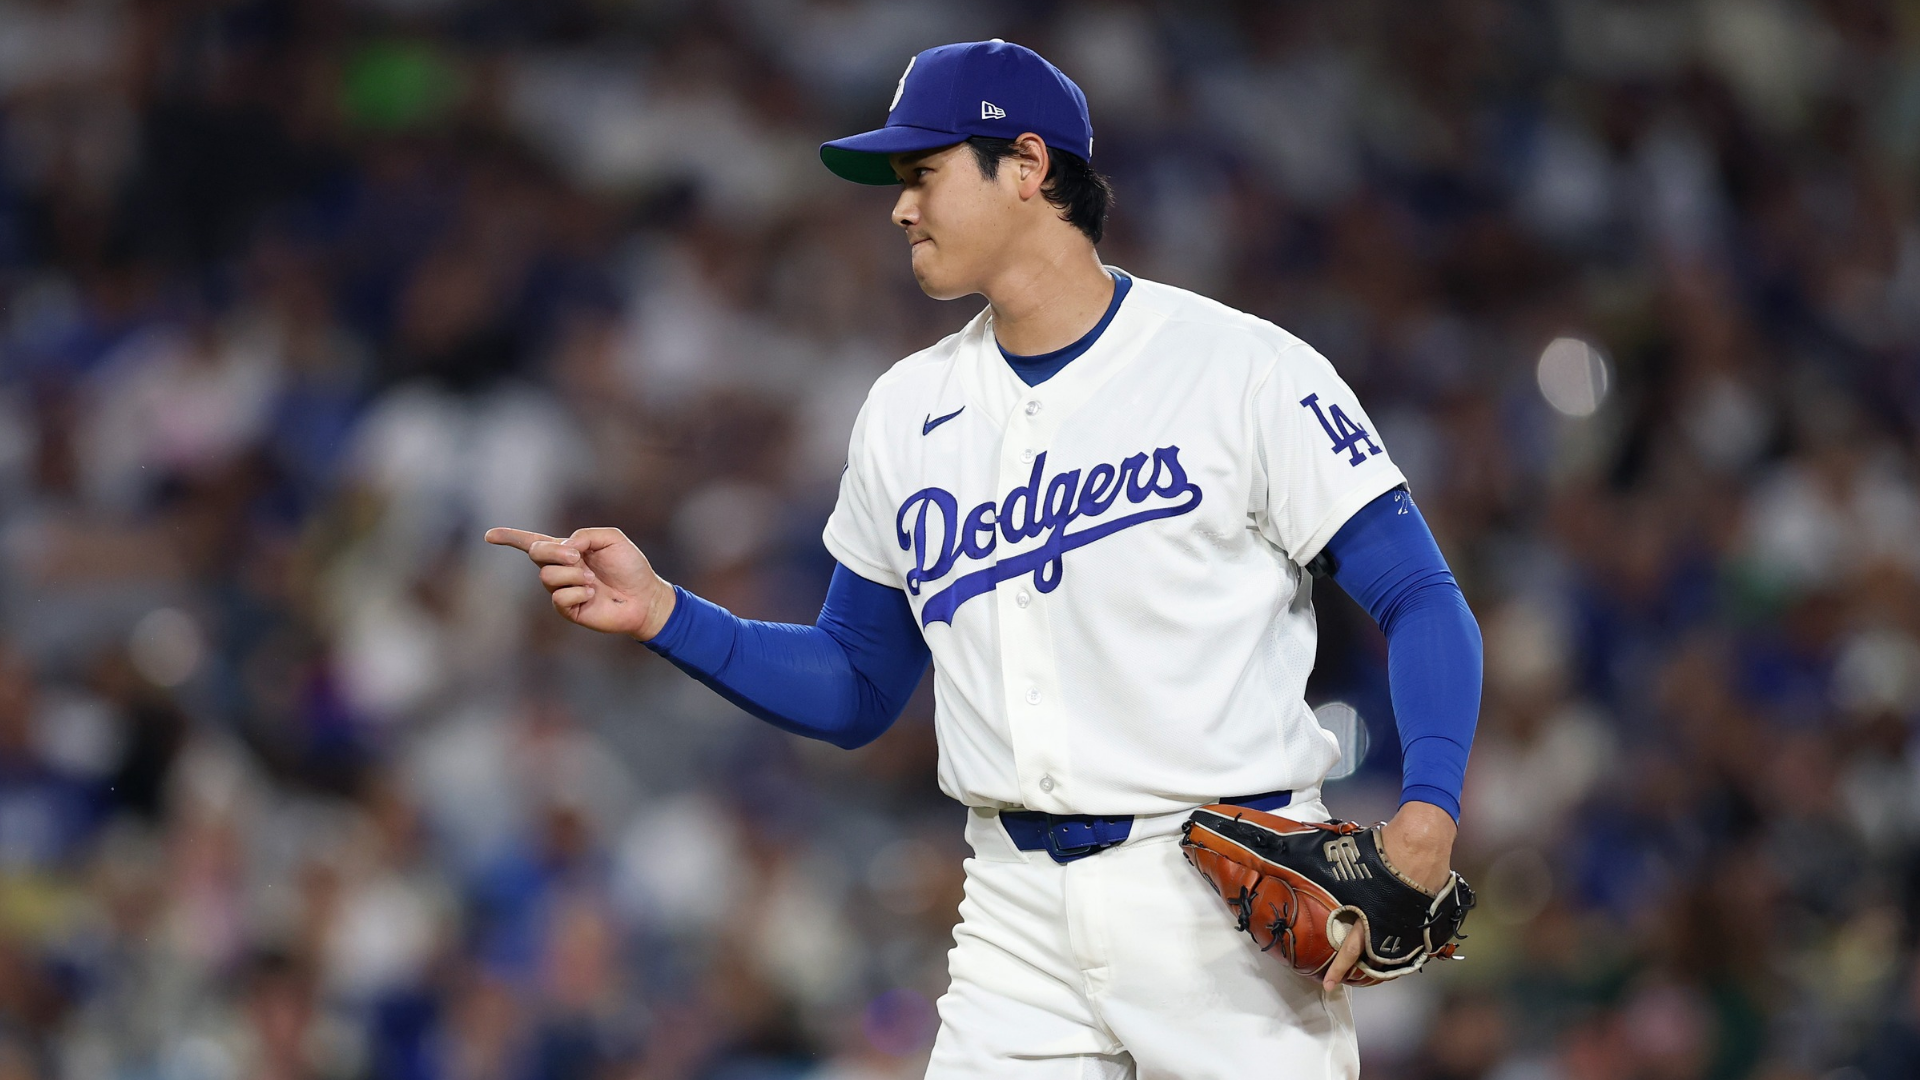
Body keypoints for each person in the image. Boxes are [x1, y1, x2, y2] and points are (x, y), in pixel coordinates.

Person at [488, 39, 1481, 1080]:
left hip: (1226, 899)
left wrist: (1430, 809)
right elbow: (859, 683)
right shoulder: (905, 413)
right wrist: (666, 616)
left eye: (923, 173)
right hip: (1016, 915)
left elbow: (1419, 596)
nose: (900, 206)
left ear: (1027, 166)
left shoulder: (1240, 369)